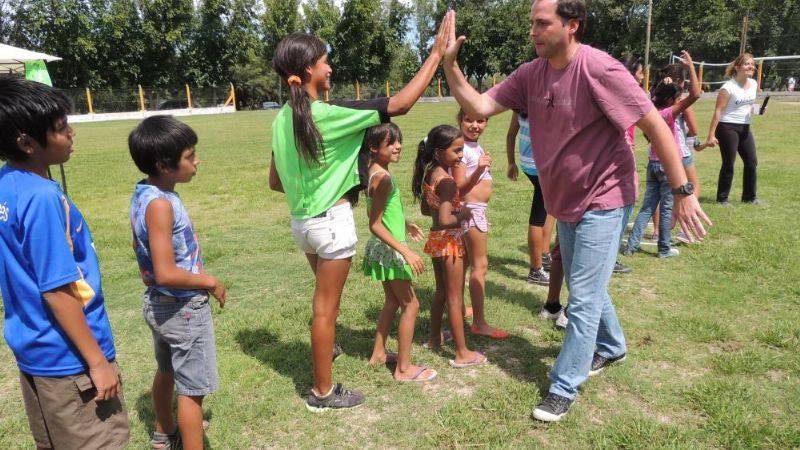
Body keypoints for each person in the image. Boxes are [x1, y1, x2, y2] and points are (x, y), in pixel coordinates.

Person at [442, 0, 711, 422]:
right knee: (589, 283)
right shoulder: (531, 74)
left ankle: (564, 385)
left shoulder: (599, 69)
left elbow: (655, 124)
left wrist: (683, 189)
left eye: (542, 23)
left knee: (581, 296)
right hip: (563, 199)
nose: (533, 30)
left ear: (572, 26)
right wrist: (450, 66)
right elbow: (477, 107)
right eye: (531, 23)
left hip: (606, 196)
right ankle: (614, 346)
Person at [268, 12, 455, 412]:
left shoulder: (281, 120)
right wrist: (437, 53)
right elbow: (401, 104)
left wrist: (313, 184)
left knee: (325, 310)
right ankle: (323, 393)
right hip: (331, 226)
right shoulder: (329, 114)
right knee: (325, 311)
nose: (330, 68)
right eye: (324, 61)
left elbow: (275, 180)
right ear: (307, 69)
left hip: (301, 225)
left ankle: (325, 356)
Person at [0, 75, 129, 449]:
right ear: (27, 143)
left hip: (35, 354)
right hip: (70, 361)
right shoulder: (41, 197)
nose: (71, 132)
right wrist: (98, 363)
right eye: (60, 128)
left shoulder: (7, 184)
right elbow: (58, 290)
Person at [129, 116, 225, 450]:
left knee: (167, 370)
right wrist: (209, 281)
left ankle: (163, 431)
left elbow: (139, 248)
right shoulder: (160, 205)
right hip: (182, 308)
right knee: (192, 389)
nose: (197, 161)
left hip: (159, 304)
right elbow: (167, 272)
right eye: (189, 156)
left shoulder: (145, 194)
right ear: (164, 165)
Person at [362, 123, 437, 383]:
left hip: (382, 248)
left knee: (393, 301)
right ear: (374, 147)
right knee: (411, 304)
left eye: (399, 140)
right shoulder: (383, 178)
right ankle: (403, 369)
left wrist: (405, 224)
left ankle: (379, 353)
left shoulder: (374, 172)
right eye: (391, 143)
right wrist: (406, 251)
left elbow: (379, 213)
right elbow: (374, 223)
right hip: (391, 250)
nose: (398, 146)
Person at [412, 125, 488, 368]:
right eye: (456, 151)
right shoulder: (446, 182)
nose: (461, 156)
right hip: (450, 242)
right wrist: (463, 214)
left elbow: (427, 210)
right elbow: (446, 220)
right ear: (438, 152)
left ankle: (435, 339)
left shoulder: (430, 175)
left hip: (435, 241)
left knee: (441, 293)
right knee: (455, 299)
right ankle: (462, 353)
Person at [625, 51, 702, 259]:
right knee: (667, 208)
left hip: (652, 164)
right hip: (668, 167)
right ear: (672, 100)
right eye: (677, 96)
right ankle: (664, 249)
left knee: (647, 207)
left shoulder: (650, 110)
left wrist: (661, 85)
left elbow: (651, 97)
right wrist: (691, 67)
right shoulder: (669, 113)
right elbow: (695, 94)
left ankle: (631, 247)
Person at [451, 109, 509, 339]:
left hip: (476, 211)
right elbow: (459, 185)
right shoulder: (462, 147)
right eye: (468, 120)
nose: (475, 125)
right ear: (460, 120)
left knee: (465, 263)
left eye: (480, 120)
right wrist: (481, 169)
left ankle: (463, 308)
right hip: (470, 211)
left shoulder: (472, 145)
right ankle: (480, 323)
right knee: (480, 266)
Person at [706, 53, 764, 206]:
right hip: (727, 127)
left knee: (752, 161)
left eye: (752, 64)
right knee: (729, 163)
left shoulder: (753, 84)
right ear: (737, 67)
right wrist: (711, 135)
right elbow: (718, 111)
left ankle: (749, 197)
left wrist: (757, 110)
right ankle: (722, 198)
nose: (750, 67)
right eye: (746, 64)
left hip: (745, 126)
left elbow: (748, 105)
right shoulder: (728, 88)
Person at [506, 110, 555, 286]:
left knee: (551, 206)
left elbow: (511, 135)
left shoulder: (520, 104)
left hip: (528, 163)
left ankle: (544, 253)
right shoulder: (544, 105)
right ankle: (536, 269)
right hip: (542, 166)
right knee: (538, 216)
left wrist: (511, 162)